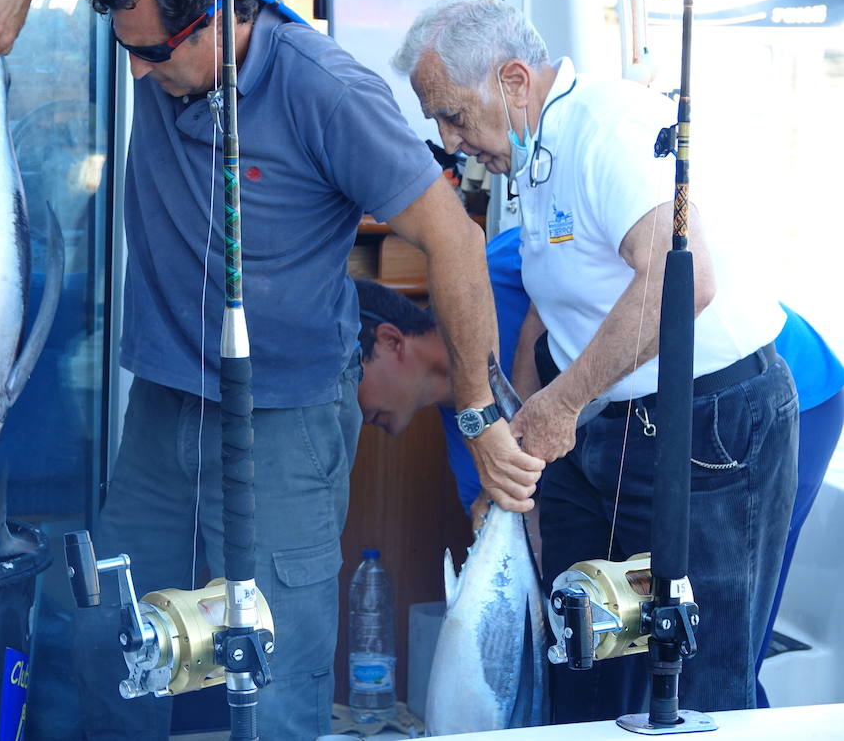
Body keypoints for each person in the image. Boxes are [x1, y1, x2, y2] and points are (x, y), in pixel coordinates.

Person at [0, 0, 542, 740]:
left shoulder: (329, 93)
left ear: (219, 18)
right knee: (113, 638)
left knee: (270, 667)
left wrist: (475, 412)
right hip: (161, 407)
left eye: (152, 55)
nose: (140, 78)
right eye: (127, 54)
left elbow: (454, 240)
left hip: (286, 424)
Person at [389, 0, 798, 722]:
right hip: (606, 432)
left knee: (703, 674)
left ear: (513, 81)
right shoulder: (534, 158)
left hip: (711, 426)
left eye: (453, 114)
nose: (450, 141)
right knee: (577, 651)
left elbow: (683, 277)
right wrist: (514, 459)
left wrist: (564, 402)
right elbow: (543, 319)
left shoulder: (607, 127)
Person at [355, 243, 844, 708]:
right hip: (646, 426)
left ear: (390, 341)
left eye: (346, 380)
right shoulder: (468, 429)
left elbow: (620, 265)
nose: (349, 411)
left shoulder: (495, 269)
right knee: (616, 637)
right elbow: (523, 533)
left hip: (768, 392)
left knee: (719, 644)